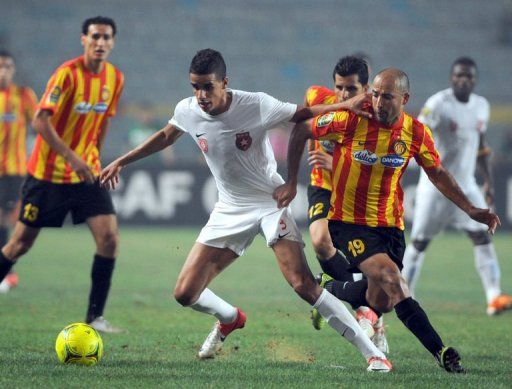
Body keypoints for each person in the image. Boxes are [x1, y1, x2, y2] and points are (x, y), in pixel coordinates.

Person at [101, 48, 393, 372]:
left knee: (303, 284)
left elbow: (303, 114)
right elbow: (165, 137)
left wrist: (344, 105)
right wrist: (120, 161)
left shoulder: (255, 104)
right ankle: (229, 318)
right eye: (195, 87)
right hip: (229, 208)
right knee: (185, 293)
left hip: (270, 202)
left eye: (207, 87)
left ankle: (373, 354)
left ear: (224, 82)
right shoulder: (187, 110)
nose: (200, 95)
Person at [274, 68, 501, 373]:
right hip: (348, 222)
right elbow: (303, 129)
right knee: (394, 280)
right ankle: (442, 351)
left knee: (380, 300)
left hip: (390, 226)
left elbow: (437, 172)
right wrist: (291, 180)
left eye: (388, 96)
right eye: (376, 94)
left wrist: (471, 209)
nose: (379, 102)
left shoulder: (415, 132)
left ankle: (329, 287)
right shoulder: (352, 118)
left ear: (405, 99)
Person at [0, 16, 125, 333]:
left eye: (106, 37)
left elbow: (103, 121)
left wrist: (97, 160)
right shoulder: (67, 75)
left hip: (86, 175)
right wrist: (73, 158)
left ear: (112, 42)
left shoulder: (114, 78)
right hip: (48, 175)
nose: (100, 42)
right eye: (95, 36)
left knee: (109, 238)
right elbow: (41, 122)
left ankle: (94, 316)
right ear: (84, 39)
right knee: (19, 245)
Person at [402, 57, 512, 316]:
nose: (464, 80)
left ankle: (493, 296)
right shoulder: (438, 104)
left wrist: (486, 180)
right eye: (459, 75)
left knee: (482, 235)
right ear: (452, 77)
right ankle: (404, 295)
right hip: (435, 186)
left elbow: (481, 145)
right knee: (419, 242)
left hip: (467, 185)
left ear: (474, 80)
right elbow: (417, 133)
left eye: (469, 76)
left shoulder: (481, 106)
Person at [304, 56, 388, 353]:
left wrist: (336, 162)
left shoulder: (375, 118)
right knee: (319, 240)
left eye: (351, 90)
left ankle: (353, 301)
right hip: (322, 185)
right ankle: (367, 311)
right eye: (339, 87)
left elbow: (379, 167)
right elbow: (305, 119)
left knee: (363, 258)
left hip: (353, 191)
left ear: (366, 88)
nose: (343, 95)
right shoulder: (317, 95)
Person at [0, 50, 37, 293]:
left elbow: (40, 127)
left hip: (13, 170)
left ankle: (7, 273)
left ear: (13, 70)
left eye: (8, 66)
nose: (3, 71)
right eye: (0, 66)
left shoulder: (23, 96)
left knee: (3, 218)